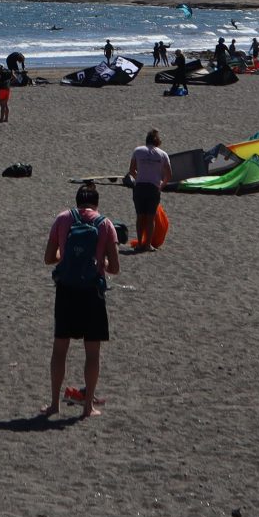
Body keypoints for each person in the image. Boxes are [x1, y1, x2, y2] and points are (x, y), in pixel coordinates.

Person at [43, 181, 119, 419]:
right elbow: (114, 267)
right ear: (96, 203)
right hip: (92, 293)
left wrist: (65, 256)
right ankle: (87, 408)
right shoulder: (105, 223)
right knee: (92, 352)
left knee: (60, 349)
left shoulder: (63, 218)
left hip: (66, 290)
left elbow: (49, 258)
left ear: (77, 201)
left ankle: (54, 404)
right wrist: (101, 263)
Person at [125, 131, 171, 253]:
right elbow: (169, 174)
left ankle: (140, 243)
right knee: (151, 218)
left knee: (140, 216)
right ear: (157, 142)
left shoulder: (138, 151)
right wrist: (161, 185)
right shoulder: (163, 154)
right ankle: (148, 245)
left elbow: (131, 170)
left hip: (139, 186)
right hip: (153, 188)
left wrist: (139, 177)